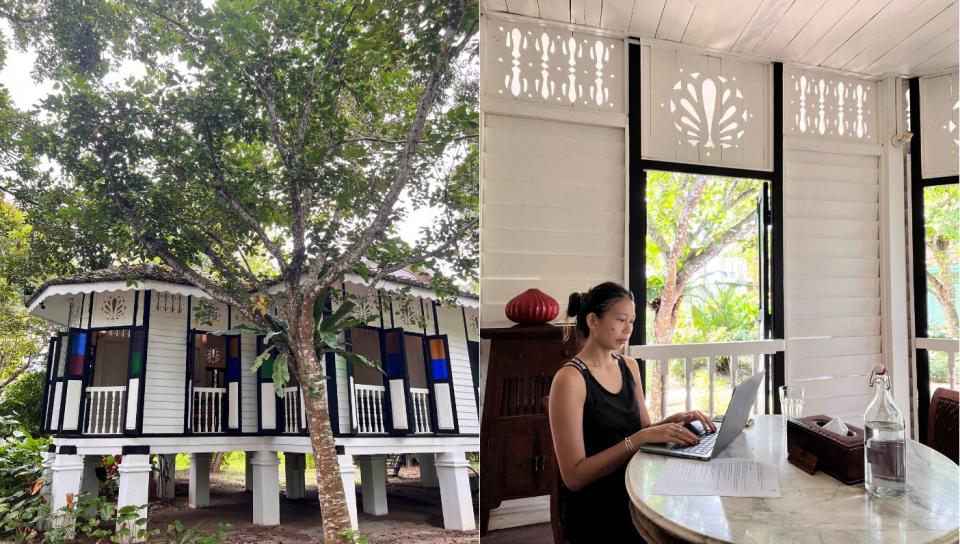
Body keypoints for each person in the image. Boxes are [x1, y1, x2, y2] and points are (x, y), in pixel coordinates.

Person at [548, 281, 716, 543]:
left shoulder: (628, 366)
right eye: (621, 320)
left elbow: (642, 431)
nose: (629, 329)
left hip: (637, 488)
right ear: (593, 321)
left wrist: (673, 421)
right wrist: (637, 440)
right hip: (597, 510)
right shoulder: (570, 380)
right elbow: (574, 477)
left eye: (632, 321)